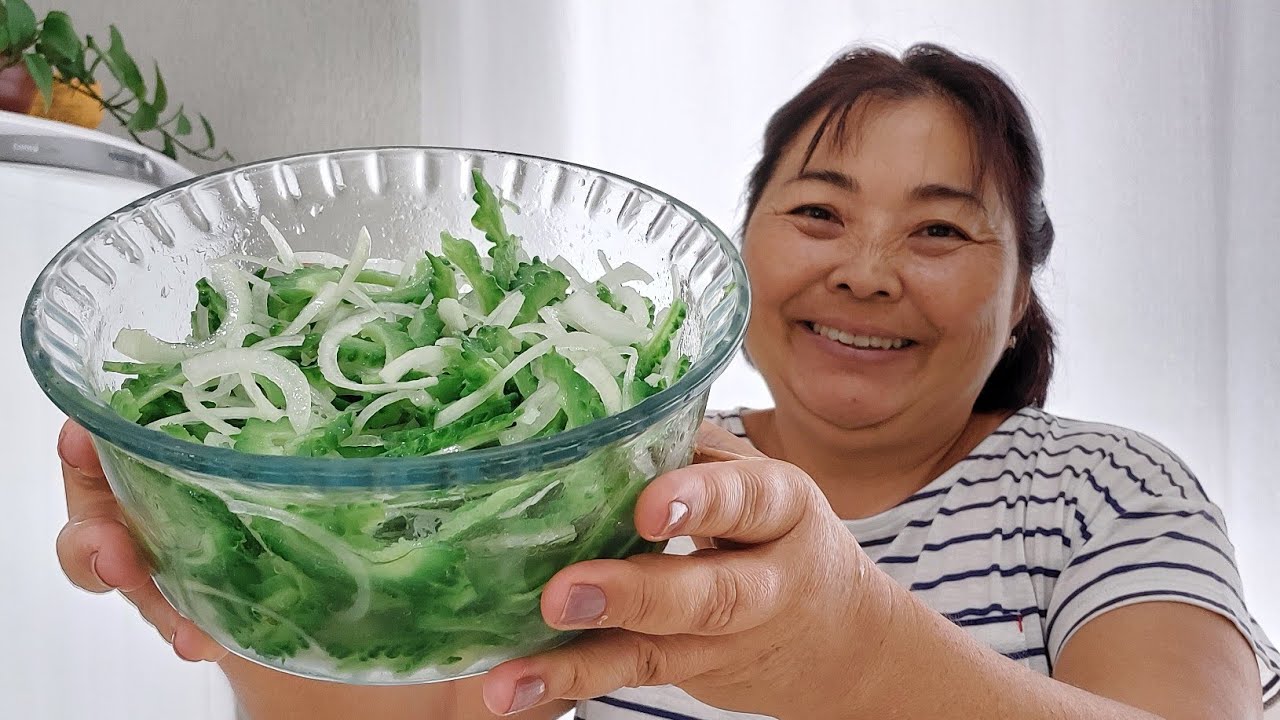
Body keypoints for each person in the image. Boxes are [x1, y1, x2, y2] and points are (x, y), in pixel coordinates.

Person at [54, 43, 1278, 720]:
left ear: (1018, 298)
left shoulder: (1095, 486)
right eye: (817, 212)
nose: (863, 272)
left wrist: (847, 653)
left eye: (941, 233)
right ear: (743, 250)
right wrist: (293, 571)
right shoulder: (594, 476)